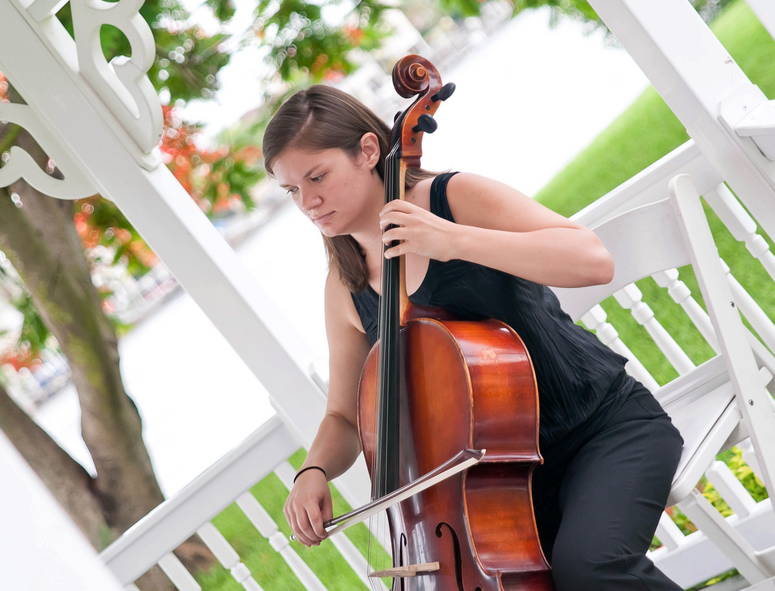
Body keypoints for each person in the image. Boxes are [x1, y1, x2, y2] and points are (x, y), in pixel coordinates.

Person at [262, 84, 685, 591]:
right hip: (497, 494)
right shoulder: (346, 286)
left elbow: (593, 260)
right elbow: (344, 416)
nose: (307, 202)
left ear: (368, 151)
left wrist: (451, 240)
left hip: (602, 431)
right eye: (291, 190)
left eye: (317, 177)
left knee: (590, 567)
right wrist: (312, 471)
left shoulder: (453, 199)